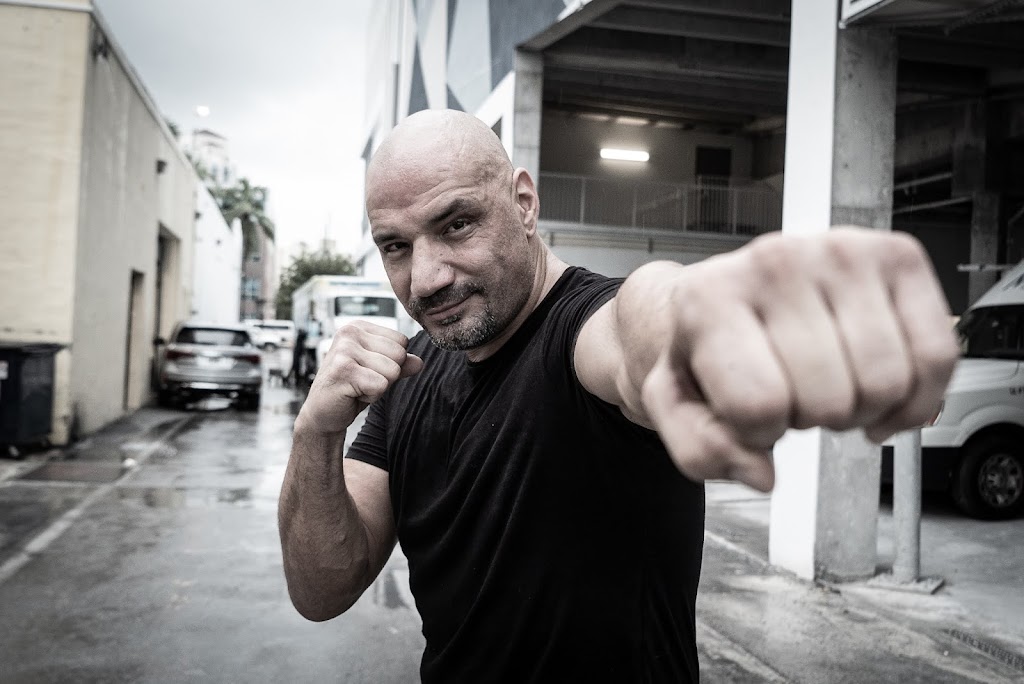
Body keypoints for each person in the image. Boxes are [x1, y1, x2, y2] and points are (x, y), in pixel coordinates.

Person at [278, 109, 958, 682]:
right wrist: (316, 431)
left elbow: (643, 326)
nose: (426, 278)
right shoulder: (409, 374)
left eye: (457, 224)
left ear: (524, 203)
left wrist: (715, 322)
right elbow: (321, 589)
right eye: (396, 246)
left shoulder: (581, 330)